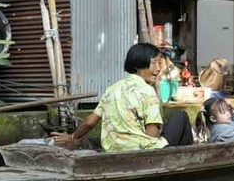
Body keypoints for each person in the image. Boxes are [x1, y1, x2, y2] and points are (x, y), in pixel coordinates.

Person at [51, 43, 193, 151]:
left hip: (113, 150)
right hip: (144, 152)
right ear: (139, 65)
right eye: (154, 63)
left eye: (159, 63)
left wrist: (72, 137)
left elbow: (89, 122)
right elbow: (152, 135)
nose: (158, 69)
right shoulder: (147, 91)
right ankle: (187, 160)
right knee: (181, 116)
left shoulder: (112, 89)